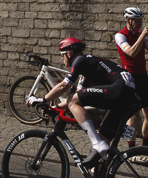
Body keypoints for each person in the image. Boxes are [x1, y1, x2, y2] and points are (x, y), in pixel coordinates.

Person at [31, 37, 140, 170]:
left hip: (122, 89)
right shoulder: (88, 69)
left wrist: (42, 100)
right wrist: (54, 108)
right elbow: (73, 99)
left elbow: (63, 86)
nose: (61, 58)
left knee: (99, 143)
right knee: (103, 139)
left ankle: (96, 144)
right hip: (127, 97)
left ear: (69, 53)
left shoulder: (80, 60)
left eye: (62, 55)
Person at [115, 5, 148, 156]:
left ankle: (145, 147)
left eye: (141, 21)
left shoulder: (141, 36)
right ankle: (131, 149)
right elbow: (131, 53)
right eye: (137, 21)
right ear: (128, 20)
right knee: (133, 115)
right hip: (129, 77)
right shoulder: (120, 36)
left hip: (142, 76)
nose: (140, 24)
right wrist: (142, 36)